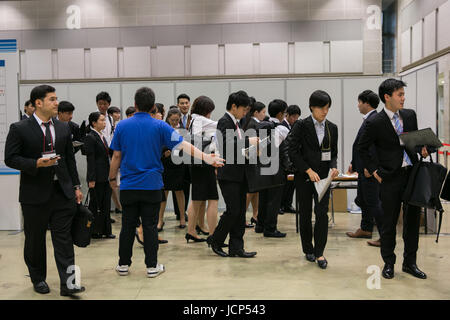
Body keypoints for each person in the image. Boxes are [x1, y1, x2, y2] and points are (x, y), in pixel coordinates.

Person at [109, 87, 223, 278]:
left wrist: (112, 179)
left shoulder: (121, 126)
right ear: (153, 106)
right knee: (150, 226)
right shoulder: (160, 126)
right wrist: (206, 157)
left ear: (135, 104)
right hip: (152, 185)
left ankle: (123, 264)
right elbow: (183, 144)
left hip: (128, 185)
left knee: (127, 226)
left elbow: (116, 156)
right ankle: (152, 267)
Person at [5, 85, 85, 296]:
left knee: (64, 238)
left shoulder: (63, 127)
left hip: (62, 192)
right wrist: (35, 164)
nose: (56, 103)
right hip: (34, 194)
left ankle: (69, 283)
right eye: (52, 99)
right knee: (35, 240)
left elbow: (69, 160)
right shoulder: (19, 128)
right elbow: (10, 158)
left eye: (56, 98)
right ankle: (38, 278)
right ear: (38, 103)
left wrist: (76, 186)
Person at [358, 79, 430, 280]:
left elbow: (413, 143)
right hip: (389, 178)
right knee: (388, 223)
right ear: (387, 97)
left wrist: (422, 150)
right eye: (399, 94)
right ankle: (389, 263)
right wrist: (374, 171)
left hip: (412, 175)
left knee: (412, 221)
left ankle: (410, 263)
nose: (403, 98)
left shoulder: (409, 115)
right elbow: (361, 148)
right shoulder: (374, 122)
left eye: (403, 94)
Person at [288, 90, 339, 269]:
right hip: (304, 177)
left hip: (323, 179)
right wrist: (308, 170)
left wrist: (333, 166)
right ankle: (308, 248)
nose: (325, 112)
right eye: (321, 108)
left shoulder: (332, 128)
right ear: (312, 107)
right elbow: (292, 151)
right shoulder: (301, 126)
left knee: (321, 213)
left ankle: (320, 252)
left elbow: (333, 153)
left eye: (327, 108)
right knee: (305, 213)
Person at [207, 90, 259, 258]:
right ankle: (215, 240)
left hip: (239, 173)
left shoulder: (235, 122)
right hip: (229, 174)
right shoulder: (224, 121)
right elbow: (227, 144)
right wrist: (248, 141)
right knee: (233, 210)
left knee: (240, 212)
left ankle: (237, 247)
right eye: (244, 109)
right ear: (234, 106)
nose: (245, 113)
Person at [346, 90, 383, 247]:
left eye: (359, 102)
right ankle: (366, 228)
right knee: (364, 201)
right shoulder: (369, 119)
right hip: (363, 169)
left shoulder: (375, 120)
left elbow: (375, 146)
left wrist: (370, 167)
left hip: (369, 170)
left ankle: (384, 236)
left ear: (366, 103)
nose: (358, 105)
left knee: (374, 202)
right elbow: (362, 145)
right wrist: (354, 163)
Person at [254, 99, 290, 238]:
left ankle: (260, 225)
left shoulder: (261, 125)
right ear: (281, 113)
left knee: (263, 197)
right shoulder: (281, 128)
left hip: (262, 164)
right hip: (276, 166)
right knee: (274, 199)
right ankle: (270, 228)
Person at [186, 96, 220, 243]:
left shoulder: (193, 120)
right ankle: (213, 234)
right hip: (203, 162)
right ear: (205, 110)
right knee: (212, 199)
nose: (210, 114)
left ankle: (191, 231)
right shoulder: (200, 120)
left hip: (197, 162)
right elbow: (220, 125)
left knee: (197, 199)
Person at [84, 112, 115, 240]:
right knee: (96, 205)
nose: (104, 122)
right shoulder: (90, 137)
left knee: (105, 204)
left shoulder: (101, 136)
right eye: (101, 120)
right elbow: (90, 160)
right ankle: (94, 231)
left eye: (104, 120)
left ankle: (106, 230)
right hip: (97, 177)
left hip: (105, 176)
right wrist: (91, 179)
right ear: (94, 123)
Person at [159, 108, 187, 230]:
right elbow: (159, 143)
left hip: (179, 163)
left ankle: (182, 217)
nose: (175, 122)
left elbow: (186, 145)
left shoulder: (183, 130)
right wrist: (164, 151)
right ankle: (160, 219)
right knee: (164, 192)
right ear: (168, 118)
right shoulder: (163, 128)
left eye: (177, 120)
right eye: (172, 120)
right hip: (166, 162)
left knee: (179, 191)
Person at [242, 101, 266, 228]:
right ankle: (242, 217)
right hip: (250, 159)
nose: (264, 115)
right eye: (263, 112)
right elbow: (250, 144)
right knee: (250, 190)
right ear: (256, 112)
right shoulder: (252, 124)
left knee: (256, 190)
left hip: (255, 158)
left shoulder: (254, 123)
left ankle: (255, 215)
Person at [280, 104, 301, 214]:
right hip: (284, 160)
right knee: (283, 185)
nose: (295, 119)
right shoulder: (282, 126)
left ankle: (287, 204)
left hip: (292, 161)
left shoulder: (294, 126)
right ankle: (281, 205)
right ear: (287, 115)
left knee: (291, 185)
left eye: (297, 117)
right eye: (294, 117)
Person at [174, 94, 191, 222]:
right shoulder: (174, 120)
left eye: (186, 103)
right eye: (182, 103)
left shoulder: (194, 118)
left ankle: (184, 211)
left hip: (190, 157)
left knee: (186, 186)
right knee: (176, 186)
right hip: (177, 158)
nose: (184, 105)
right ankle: (179, 213)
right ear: (178, 105)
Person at [107, 106, 123, 215]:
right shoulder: (107, 125)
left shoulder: (119, 125)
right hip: (111, 154)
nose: (118, 115)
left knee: (120, 182)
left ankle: (120, 205)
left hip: (119, 154)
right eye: (115, 113)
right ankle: (118, 205)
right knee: (112, 181)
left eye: (118, 113)